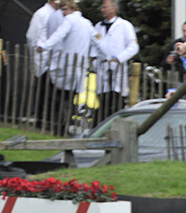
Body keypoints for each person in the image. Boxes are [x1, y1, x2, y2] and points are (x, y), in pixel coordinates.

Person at [38, 0, 94, 133]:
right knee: (69, 99)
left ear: (72, 8)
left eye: (65, 9)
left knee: (58, 98)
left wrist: (44, 46)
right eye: (62, 9)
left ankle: (56, 126)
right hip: (78, 68)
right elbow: (97, 40)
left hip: (66, 67)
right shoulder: (87, 23)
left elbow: (58, 35)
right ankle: (65, 126)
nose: (63, 13)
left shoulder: (69, 20)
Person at [90, 0, 140, 123]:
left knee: (116, 100)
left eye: (105, 7)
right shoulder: (98, 27)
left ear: (113, 8)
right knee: (102, 100)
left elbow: (133, 47)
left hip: (118, 69)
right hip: (102, 69)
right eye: (102, 7)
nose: (102, 9)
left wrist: (119, 58)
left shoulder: (125, 25)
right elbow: (93, 47)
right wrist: (95, 60)